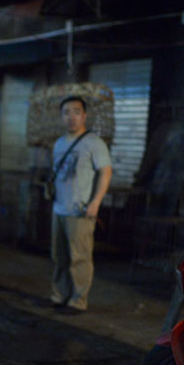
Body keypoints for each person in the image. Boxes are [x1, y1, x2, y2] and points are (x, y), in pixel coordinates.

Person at [48, 95, 113, 315]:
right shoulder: (59, 143)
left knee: (80, 258)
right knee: (59, 257)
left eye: (76, 112)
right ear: (61, 116)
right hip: (59, 208)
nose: (71, 117)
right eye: (66, 112)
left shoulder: (94, 143)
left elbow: (106, 172)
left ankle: (78, 300)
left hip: (81, 210)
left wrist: (95, 202)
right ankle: (60, 295)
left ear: (84, 115)